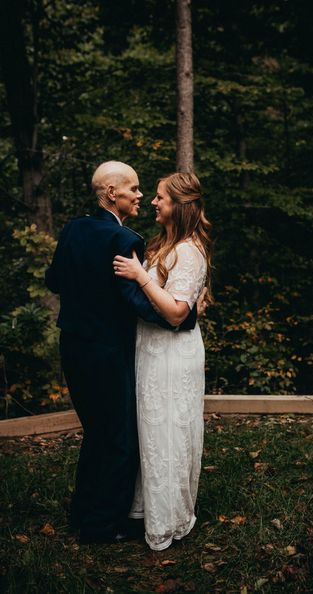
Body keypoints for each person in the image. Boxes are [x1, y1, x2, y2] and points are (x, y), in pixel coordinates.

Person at [45, 161, 197, 544]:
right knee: (119, 440)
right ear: (112, 193)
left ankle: (82, 510)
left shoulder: (73, 228)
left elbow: (54, 280)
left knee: (95, 432)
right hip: (108, 352)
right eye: (134, 189)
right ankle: (101, 526)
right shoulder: (124, 240)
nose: (141, 196)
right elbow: (138, 304)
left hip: (73, 346)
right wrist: (184, 316)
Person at [113, 171, 212, 550]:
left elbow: (175, 313)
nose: (153, 202)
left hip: (173, 354)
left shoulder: (189, 251)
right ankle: (145, 510)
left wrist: (140, 275)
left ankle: (169, 520)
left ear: (181, 207)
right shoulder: (168, 244)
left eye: (160, 198)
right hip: (151, 350)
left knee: (169, 432)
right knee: (152, 432)